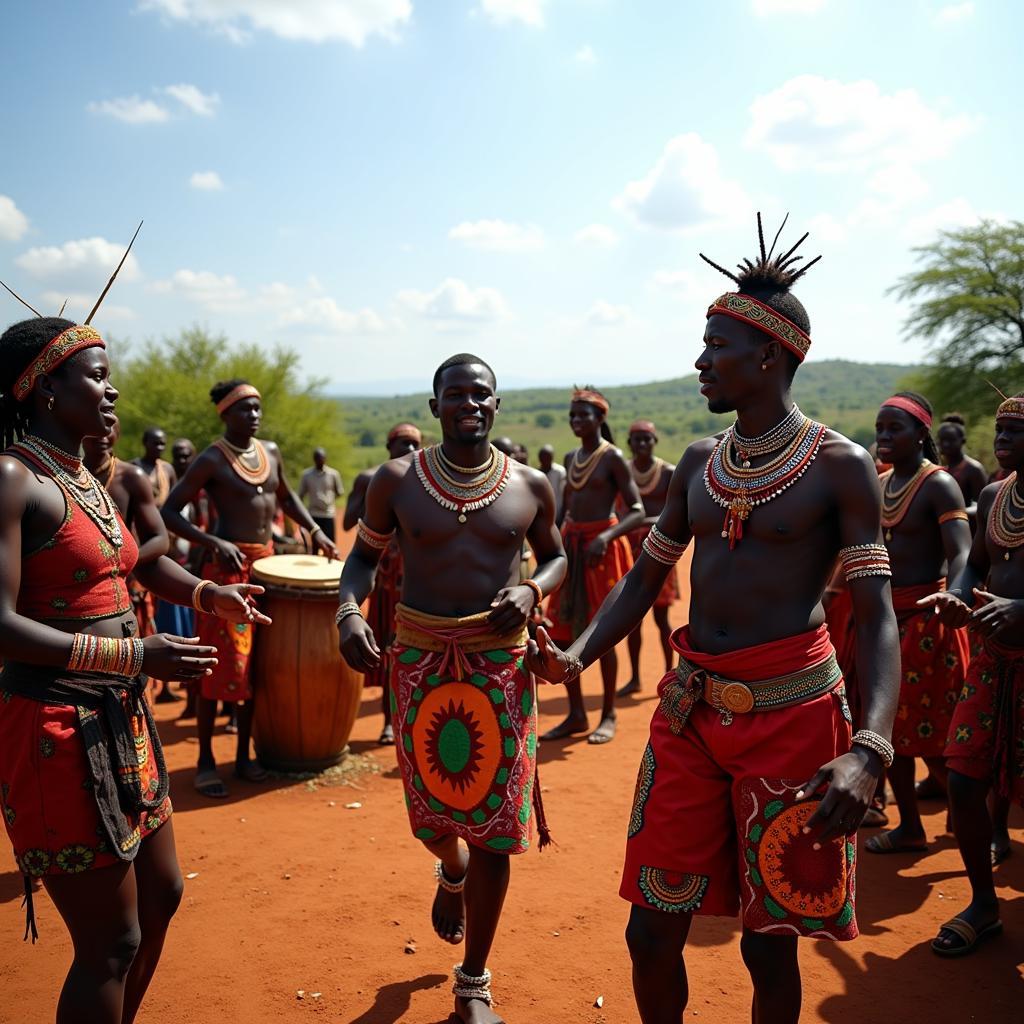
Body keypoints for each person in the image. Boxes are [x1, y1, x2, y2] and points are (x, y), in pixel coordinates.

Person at [527, 216, 900, 1024]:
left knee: (770, 941)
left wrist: (869, 750)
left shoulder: (840, 468)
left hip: (794, 720)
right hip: (691, 712)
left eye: (715, 346)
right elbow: (647, 580)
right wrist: (576, 655)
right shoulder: (698, 462)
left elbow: (874, 618)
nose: (699, 362)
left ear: (769, 356)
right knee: (650, 930)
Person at [0, 315, 268, 1024]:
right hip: (57, 727)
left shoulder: (88, 481)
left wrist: (210, 593)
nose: (111, 390)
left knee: (164, 896)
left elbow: (140, 563)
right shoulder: (13, 480)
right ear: (45, 388)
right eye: (96, 375)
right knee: (111, 942)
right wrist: (131, 655)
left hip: (122, 717)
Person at [337, 354, 566, 1024]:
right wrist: (350, 611)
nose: (471, 403)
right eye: (456, 394)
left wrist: (531, 588)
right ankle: (450, 870)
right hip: (420, 663)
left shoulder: (529, 485)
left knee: (497, 830)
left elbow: (554, 556)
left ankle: (473, 983)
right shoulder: (397, 482)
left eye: (482, 394)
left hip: (500, 667)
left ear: (498, 405)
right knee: (434, 820)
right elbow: (361, 560)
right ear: (436, 404)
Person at [162, 379, 338, 799]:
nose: (254, 416)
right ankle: (205, 759)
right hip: (227, 575)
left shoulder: (270, 452)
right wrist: (213, 541)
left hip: (267, 570)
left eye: (258, 408)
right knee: (219, 667)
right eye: (245, 409)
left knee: (257, 666)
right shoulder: (210, 459)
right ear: (225, 414)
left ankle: (244, 754)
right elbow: (169, 511)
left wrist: (314, 529)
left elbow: (288, 499)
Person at [922, 391, 1024, 956]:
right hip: (992, 659)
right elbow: (975, 566)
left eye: (1014, 432)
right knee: (964, 778)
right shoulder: (992, 495)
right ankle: (984, 904)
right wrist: (956, 598)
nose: (1001, 439)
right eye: (1000, 430)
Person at [862, 394, 971, 855]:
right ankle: (910, 826)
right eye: (880, 429)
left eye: (895, 430)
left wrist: (957, 594)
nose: (884, 438)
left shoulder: (939, 485)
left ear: (922, 434)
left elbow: (962, 551)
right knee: (888, 730)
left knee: (937, 734)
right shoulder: (881, 481)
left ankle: (978, 825)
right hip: (885, 618)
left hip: (929, 621)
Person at [541, 388, 643, 744]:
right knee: (565, 630)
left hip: (602, 550)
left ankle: (609, 713)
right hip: (572, 546)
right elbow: (562, 510)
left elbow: (637, 510)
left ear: (600, 418)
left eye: (583, 415)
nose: (576, 422)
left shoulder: (612, 457)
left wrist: (606, 537)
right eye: (572, 416)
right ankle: (576, 713)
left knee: (603, 631)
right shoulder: (571, 458)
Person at [342, 422, 423, 744]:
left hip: (415, 575)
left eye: (415, 444)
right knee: (388, 647)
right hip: (383, 577)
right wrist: (376, 499)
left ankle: (412, 719)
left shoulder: (424, 481)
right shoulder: (371, 478)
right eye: (402, 444)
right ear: (389, 447)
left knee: (415, 648)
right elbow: (349, 521)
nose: (409, 450)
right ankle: (389, 721)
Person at [617, 420, 678, 697]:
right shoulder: (623, 472)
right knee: (632, 618)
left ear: (655, 442)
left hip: (661, 549)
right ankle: (635, 678)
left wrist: (642, 522)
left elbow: (676, 514)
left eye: (647, 439)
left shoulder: (668, 473)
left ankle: (670, 674)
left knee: (661, 616)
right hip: (630, 549)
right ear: (629, 444)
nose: (642, 444)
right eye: (637, 440)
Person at [938, 413, 988, 523]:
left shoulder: (973, 469)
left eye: (951, 440)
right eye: (942, 440)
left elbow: (983, 505)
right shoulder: (941, 471)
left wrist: (957, 513)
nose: (946, 444)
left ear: (963, 441)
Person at [299, 447, 344, 543]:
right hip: (313, 514)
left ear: (325, 458)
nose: (320, 460)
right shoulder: (307, 475)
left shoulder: (333, 474)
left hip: (328, 514)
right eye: (317, 458)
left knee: (330, 543)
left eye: (322, 458)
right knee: (315, 544)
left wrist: (328, 500)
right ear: (314, 459)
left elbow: (339, 492)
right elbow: (301, 495)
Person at [537, 444, 566, 522]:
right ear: (539, 458)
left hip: (559, 511)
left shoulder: (560, 472)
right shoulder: (536, 474)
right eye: (543, 457)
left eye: (548, 457)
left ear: (552, 457)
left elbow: (565, 493)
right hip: (542, 515)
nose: (546, 460)